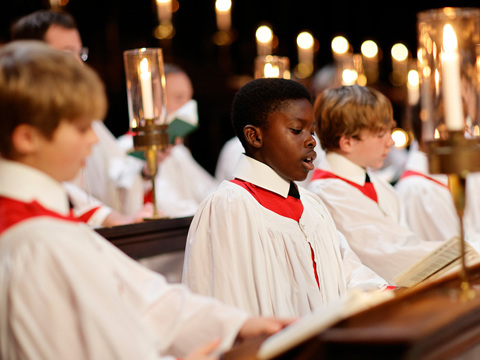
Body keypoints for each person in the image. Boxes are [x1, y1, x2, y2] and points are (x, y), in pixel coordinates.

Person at [0, 40, 290, 360]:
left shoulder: (43, 225)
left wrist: (239, 325)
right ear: (27, 138)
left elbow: (143, 298)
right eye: (82, 128)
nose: (94, 139)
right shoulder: (37, 242)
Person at [183, 78, 389, 318]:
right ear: (254, 137)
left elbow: (346, 270)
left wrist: (384, 295)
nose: (312, 140)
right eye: (296, 130)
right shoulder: (230, 206)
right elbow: (226, 305)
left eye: (312, 131)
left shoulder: (311, 205)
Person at [11, 8, 152, 226]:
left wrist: (144, 167)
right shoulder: (18, 117)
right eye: (68, 54)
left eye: (80, 53)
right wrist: (108, 218)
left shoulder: (86, 116)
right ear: (32, 58)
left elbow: (114, 171)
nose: (79, 64)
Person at [308, 85, 443, 285]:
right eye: (380, 134)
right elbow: (387, 253)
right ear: (347, 142)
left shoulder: (374, 181)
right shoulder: (328, 193)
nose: (390, 142)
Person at [118, 63, 220, 218]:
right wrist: (146, 172)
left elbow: (208, 191)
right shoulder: (124, 148)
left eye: (189, 98)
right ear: (151, 102)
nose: (187, 107)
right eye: (179, 98)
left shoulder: (179, 151)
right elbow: (126, 202)